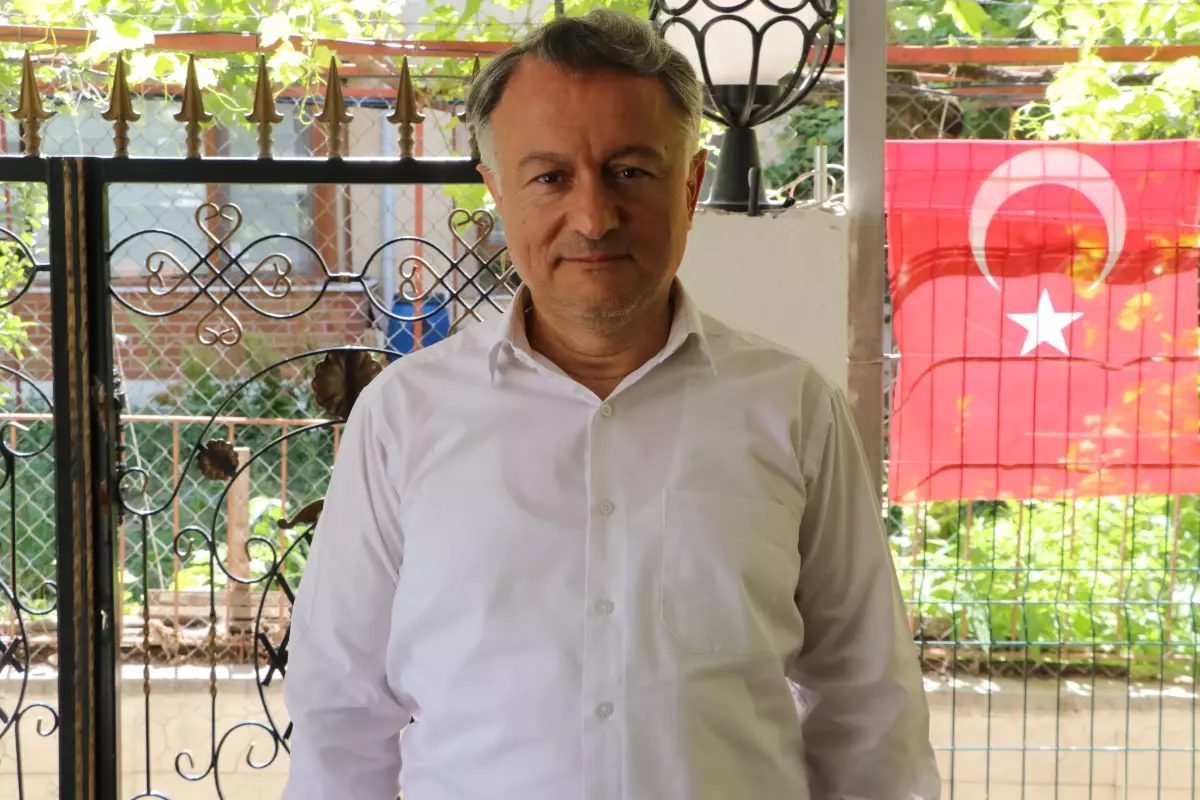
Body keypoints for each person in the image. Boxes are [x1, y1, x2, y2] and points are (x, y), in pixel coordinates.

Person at [282, 9, 940, 800]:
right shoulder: (404, 418)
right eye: (550, 177)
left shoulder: (792, 410)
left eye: (630, 171)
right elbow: (341, 712)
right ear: (497, 191)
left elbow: (868, 707)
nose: (593, 218)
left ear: (690, 185)